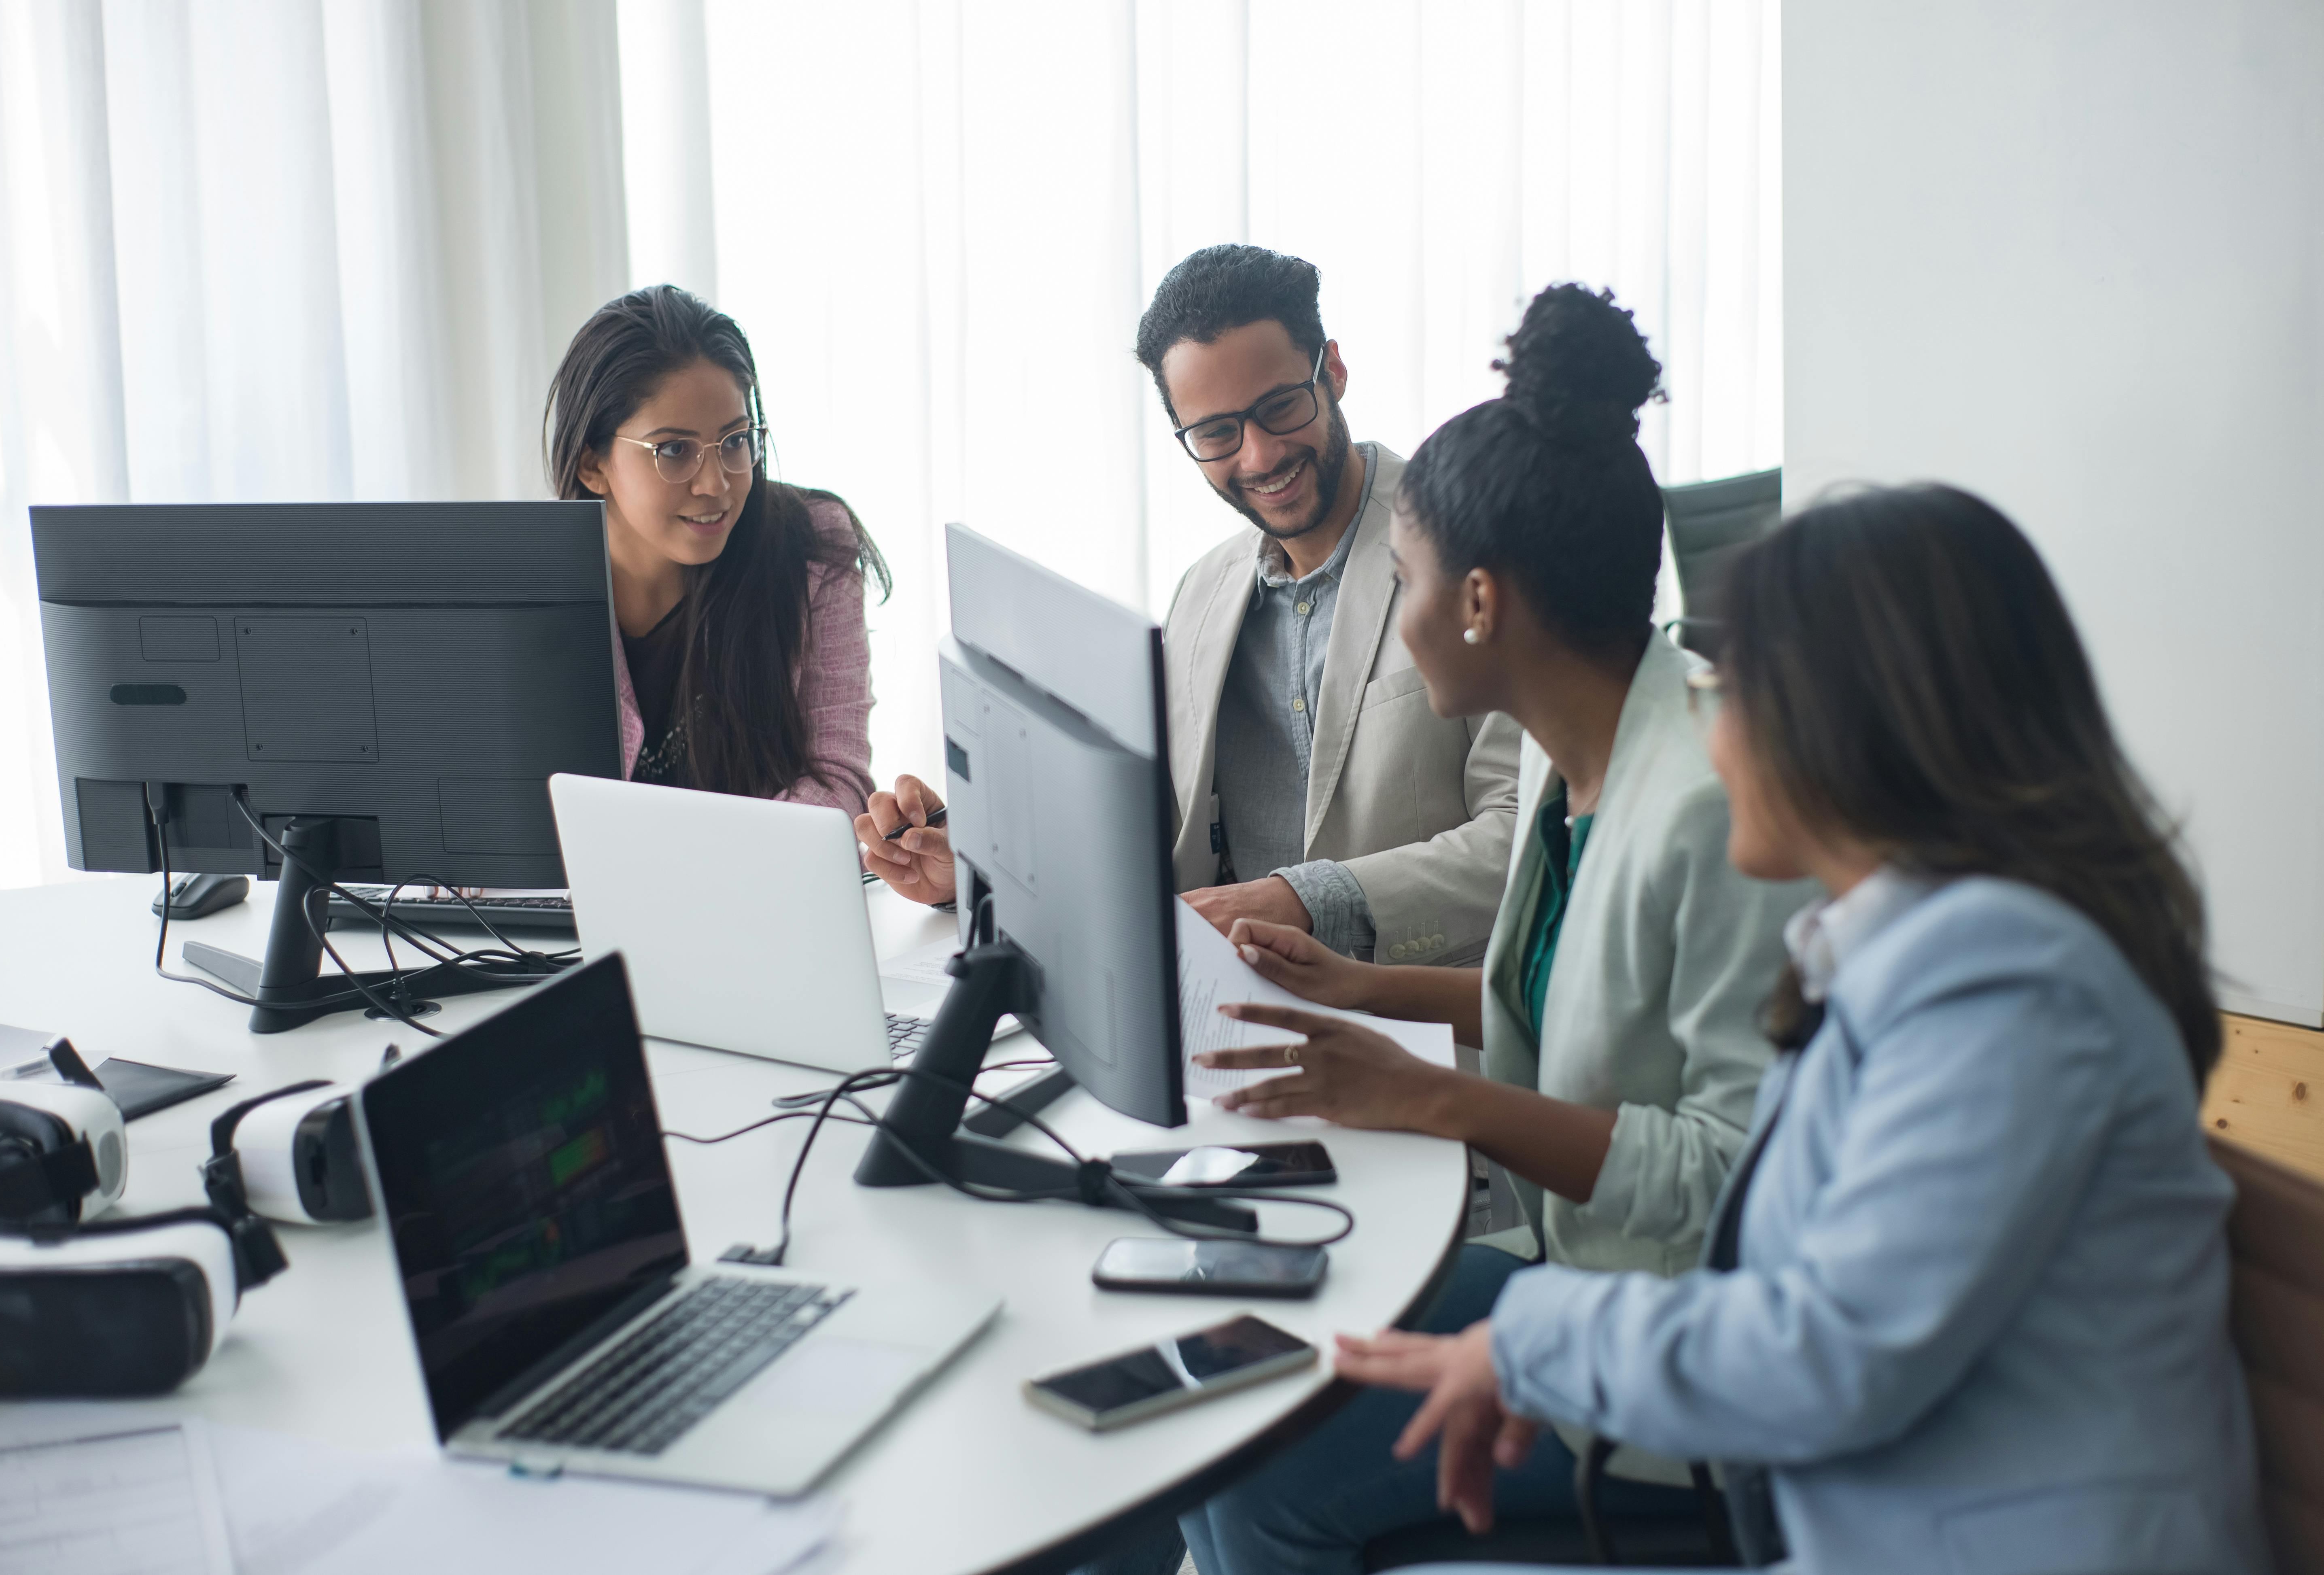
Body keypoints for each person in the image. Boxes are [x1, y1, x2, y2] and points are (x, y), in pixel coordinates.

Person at [1332, 485, 2269, 1574]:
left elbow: (1830, 1348)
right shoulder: (1906, 950)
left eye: (1728, 689)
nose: (1709, 732)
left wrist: (1531, 1344)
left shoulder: (2008, 987)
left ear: (1852, 720)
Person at [1092, 285, 1815, 1575]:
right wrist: (1365, 986)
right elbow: (1590, 1000)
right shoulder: (1587, 747)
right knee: (1195, 1393)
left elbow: (1729, 1177)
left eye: (1410, 578)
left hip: (1682, 1338)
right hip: (1573, 1265)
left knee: (1254, 1481)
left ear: (1479, 602)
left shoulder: (1710, 808)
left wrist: (1437, 1104)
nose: (1395, 605)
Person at [859, 245, 1519, 967]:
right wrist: (979, 867)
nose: (1261, 456)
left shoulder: (1475, 544)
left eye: (1280, 408)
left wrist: (1305, 898)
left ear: (1332, 371)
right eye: (1216, 433)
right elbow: (1158, 837)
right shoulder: (1202, 595)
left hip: (1426, 1021)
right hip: (1232, 1007)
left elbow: (1526, 833)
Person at [544, 284, 886, 815]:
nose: (717, 484)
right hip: (584, 898)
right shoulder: (530, 585)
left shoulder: (811, 550)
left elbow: (839, 783)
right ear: (594, 465)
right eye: (674, 450)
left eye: (734, 441)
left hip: (760, 892)